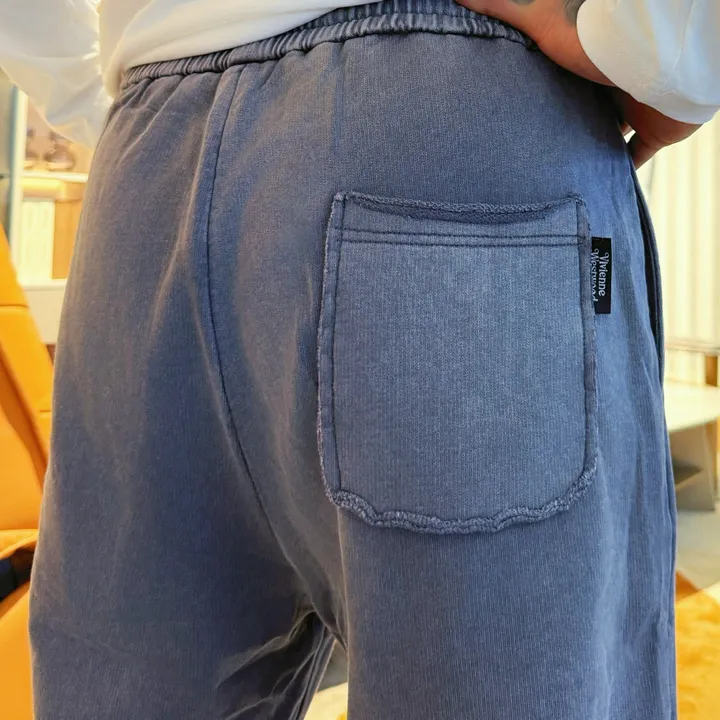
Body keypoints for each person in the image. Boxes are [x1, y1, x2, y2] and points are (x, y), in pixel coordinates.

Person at [0, 1, 717, 718]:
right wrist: (673, 46)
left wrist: (105, 104)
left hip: (145, 172)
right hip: (451, 125)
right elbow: (671, 44)